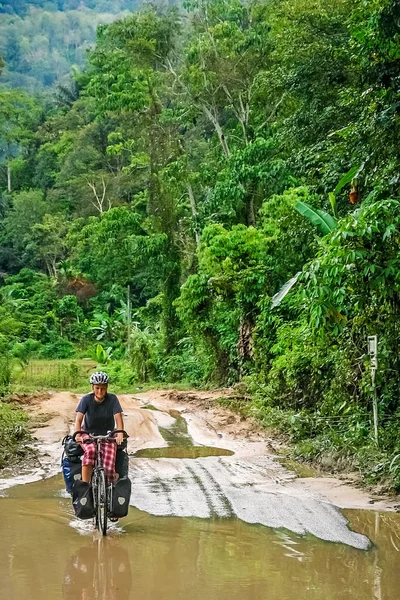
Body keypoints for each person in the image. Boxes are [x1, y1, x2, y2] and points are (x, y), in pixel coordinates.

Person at [74, 371, 124, 486]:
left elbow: (118, 417)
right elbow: (78, 419)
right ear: (92, 387)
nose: (100, 391)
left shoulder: (113, 399)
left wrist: (120, 433)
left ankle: (109, 485)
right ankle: (85, 486)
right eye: (97, 388)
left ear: (106, 387)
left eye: (103, 388)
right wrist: (77, 435)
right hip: (88, 432)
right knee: (91, 451)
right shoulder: (86, 399)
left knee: (109, 460)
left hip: (108, 434)